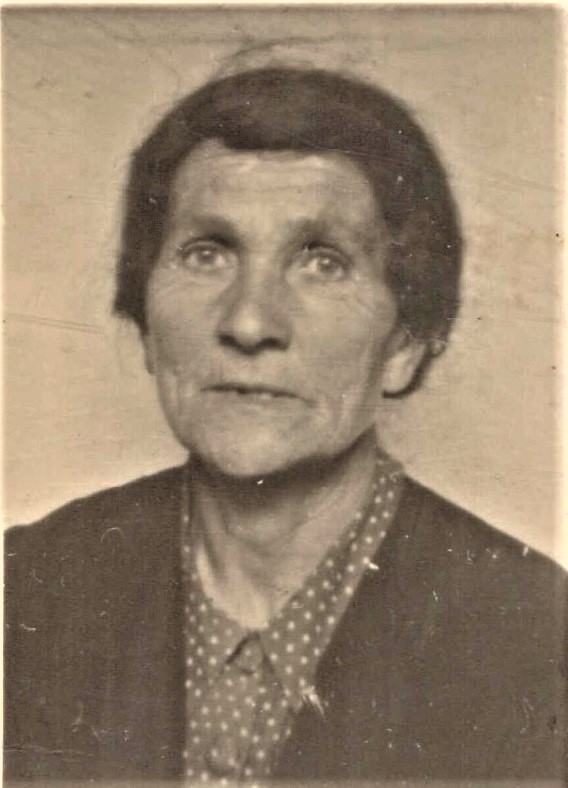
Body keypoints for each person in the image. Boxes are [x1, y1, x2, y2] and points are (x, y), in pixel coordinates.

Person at [4, 66, 566, 785]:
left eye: (322, 263)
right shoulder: (26, 590)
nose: (248, 322)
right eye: (207, 254)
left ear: (406, 343)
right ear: (145, 322)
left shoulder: (534, 635)